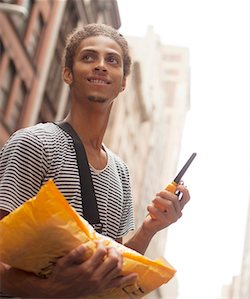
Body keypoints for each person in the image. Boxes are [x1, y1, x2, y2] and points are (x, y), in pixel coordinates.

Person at [0, 23, 190, 297]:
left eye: (112, 60)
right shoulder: (35, 143)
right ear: (68, 73)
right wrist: (51, 289)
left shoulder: (121, 172)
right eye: (88, 57)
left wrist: (150, 227)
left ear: (123, 81)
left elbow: (112, 274)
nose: (100, 65)